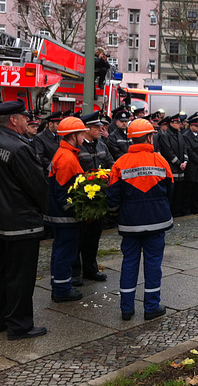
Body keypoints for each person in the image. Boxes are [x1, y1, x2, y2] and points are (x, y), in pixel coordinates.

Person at [0, 99, 48, 340]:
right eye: (23, 118)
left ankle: (1, 320)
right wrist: (45, 209)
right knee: (21, 276)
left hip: (1, 219)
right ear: (13, 120)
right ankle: (20, 325)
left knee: (2, 273)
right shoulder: (20, 148)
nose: (26, 122)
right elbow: (37, 186)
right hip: (22, 221)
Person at [107, 119, 173, 321]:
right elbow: (170, 189)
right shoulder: (160, 161)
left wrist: (115, 213)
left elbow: (112, 196)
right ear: (150, 136)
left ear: (131, 139)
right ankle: (151, 307)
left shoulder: (120, 163)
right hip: (156, 221)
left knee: (129, 263)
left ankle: (126, 308)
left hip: (130, 223)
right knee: (153, 264)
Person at [46, 117, 89, 303]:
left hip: (58, 215)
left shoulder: (65, 153)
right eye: (81, 133)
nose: (84, 136)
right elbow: (63, 192)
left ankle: (59, 283)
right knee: (65, 252)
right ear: (73, 135)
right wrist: (77, 212)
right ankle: (62, 290)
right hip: (64, 217)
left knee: (59, 249)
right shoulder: (67, 157)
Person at [73, 111, 114, 286]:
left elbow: (111, 163)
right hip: (82, 199)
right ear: (87, 129)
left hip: (98, 198)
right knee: (78, 238)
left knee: (94, 237)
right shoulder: (79, 146)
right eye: (97, 127)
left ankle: (90, 269)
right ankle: (75, 273)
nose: (101, 129)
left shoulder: (102, 145)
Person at [159, 113, 188, 216]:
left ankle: (177, 211)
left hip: (181, 169)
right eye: (176, 122)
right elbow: (168, 151)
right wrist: (178, 163)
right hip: (172, 168)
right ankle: (170, 212)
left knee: (179, 193)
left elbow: (184, 148)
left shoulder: (179, 134)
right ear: (171, 123)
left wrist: (185, 161)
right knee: (171, 192)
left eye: (179, 123)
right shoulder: (165, 135)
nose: (179, 125)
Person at [181, 113, 198, 214]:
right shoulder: (185, 136)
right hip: (192, 167)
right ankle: (187, 209)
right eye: (197, 126)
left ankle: (196, 207)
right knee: (189, 190)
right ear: (191, 126)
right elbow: (189, 150)